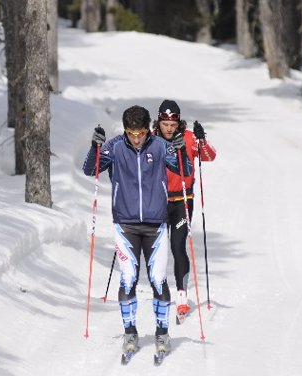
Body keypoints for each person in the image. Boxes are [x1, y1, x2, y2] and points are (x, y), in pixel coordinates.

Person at [83, 105, 192, 356]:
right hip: (125, 225)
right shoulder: (115, 146)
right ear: (125, 130)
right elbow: (91, 169)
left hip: (156, 225)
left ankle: (162, 333)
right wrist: (95, 146)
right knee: (128, 279)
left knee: (158, 280)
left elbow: (184, 171)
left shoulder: (160, 147)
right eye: (131, 133)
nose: (136, 138)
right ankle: (130, 331)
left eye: (141, 133)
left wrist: (181, 148)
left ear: (148, 130)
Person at [151, 99, 216, 320]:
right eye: (165, 123)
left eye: (173, 124)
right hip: (157, 202)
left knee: (178, 246)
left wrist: (202, 139)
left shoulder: (188, 138)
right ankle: (160, 292)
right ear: (158, 122)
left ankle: (181, 296)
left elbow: (209, 156)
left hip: (182, 202)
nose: (168, 128)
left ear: (179, 123)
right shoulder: (150, 140)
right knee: (157, 250)